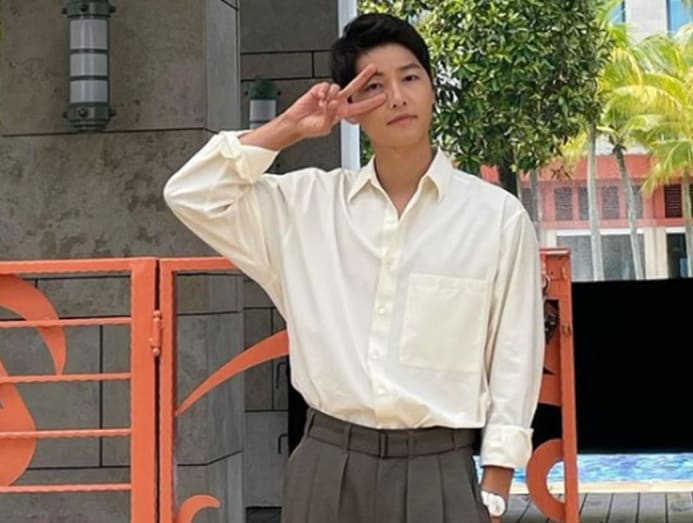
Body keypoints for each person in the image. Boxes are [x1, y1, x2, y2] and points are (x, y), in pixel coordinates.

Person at [164, 12, 545, 523]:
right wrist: (287, 129)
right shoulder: (306, 208)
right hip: (328, 464)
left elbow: (515, 351)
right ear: (351, 109)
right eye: (374, 86)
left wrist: (495, 483)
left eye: (410, 77)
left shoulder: (495, 217)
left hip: (439, 469)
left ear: (433, 89)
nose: (397, 97)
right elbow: (191, 194)